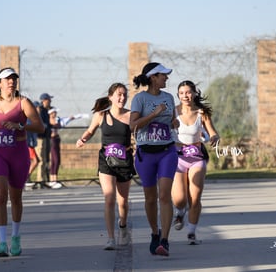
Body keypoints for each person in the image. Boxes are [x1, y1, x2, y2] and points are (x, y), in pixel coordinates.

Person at [0, 67, 44, 257]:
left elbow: (40, 126)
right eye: (7, 79)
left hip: (18, 153)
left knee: (16, 198)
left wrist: (20, 125)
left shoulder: (24, 103)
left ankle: (15, 237)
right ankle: (2, 242)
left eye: (14, 79)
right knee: (1, 195)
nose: (11, 81)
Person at [76, 83, 135, 250]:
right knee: (109, 197)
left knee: (122, 202)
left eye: (124, 95)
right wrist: (83, 139)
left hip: (124, 160)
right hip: (106, 160)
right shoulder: (101, 115)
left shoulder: (131, 116)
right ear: (110, 97)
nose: (122, 98)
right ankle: (110, 238)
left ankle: (122, 225)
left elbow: (139, 134)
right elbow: (90, 130)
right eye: (119, 94)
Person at [130, 62, 179, 256]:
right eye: (163, 75)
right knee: (150, 199)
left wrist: (173, 122)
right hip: (146, 154)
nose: (166, 78)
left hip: (167, 151)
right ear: (153, 78)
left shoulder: (168, 97)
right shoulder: (139, 99)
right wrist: (153, 114)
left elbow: (172, 121)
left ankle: (165, 241)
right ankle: (154, 233)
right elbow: (132, 125)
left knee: (165, 196)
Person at [171, 80, 220, 245]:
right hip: (177, 156)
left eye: (188, 92)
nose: (185, 96)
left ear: (194, 94)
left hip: (196, 157)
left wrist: (214, 137)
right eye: (182, 93)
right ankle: (179, 211)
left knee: (195, 197)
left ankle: (192, 232)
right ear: (178, 95)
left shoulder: (202, 112)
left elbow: (212, 132)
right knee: (179, 199)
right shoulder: (172, 112)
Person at [48, 107, 76, 188]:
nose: (56, 114)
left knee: (56, 160)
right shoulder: (49, 121)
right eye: (54, 112)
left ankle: (54, 179)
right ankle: (53, 180)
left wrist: (69, 119)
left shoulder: (56, 120)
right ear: (51, 113)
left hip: (57, 140)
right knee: (55, 160)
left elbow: (60, 125)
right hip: (52, 140)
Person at [35, 93, 53, 188]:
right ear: (44, 100)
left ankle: (45, 179)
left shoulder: (46, 111)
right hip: (40, 138)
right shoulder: (39, 110)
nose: (50, 101)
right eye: (49, 100)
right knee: (40, 159)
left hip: (46, 137)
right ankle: (40, 180)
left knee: (46, 159)